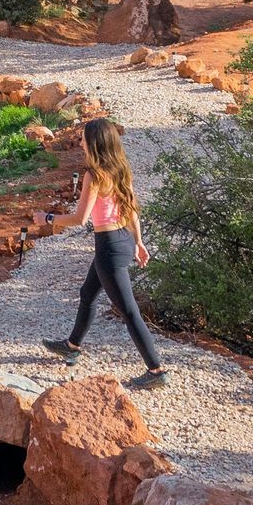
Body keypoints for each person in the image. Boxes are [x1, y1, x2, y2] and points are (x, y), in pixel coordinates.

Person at [44, 116, 166, 388]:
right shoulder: (121, 169)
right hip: (122, 239)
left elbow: (80, 219)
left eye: (84, 138)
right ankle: (72, 345)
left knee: (129, 311)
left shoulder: (94, 175)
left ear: (95, 143)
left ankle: (156, 370)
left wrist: (48, 218)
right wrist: (139, 241)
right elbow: (132, 208)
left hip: (109, 247)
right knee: (87, 293)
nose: (80, 142)